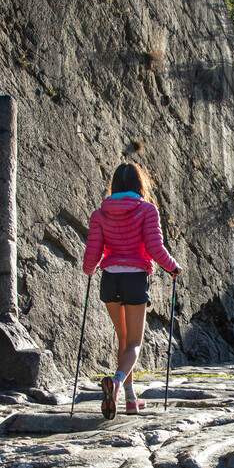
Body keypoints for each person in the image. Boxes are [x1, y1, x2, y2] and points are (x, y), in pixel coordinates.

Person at [82, 162, 180, 418]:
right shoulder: (147, 210)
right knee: (135, 342)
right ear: (140, 185)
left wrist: (90, 270)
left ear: (114, 185)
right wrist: (174, 268)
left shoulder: (99, 214)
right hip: (135, 279)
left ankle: (130, 399)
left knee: (123, 340)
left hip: (110, 280)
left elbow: (92, 254)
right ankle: (115, 383)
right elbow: (155, 249)